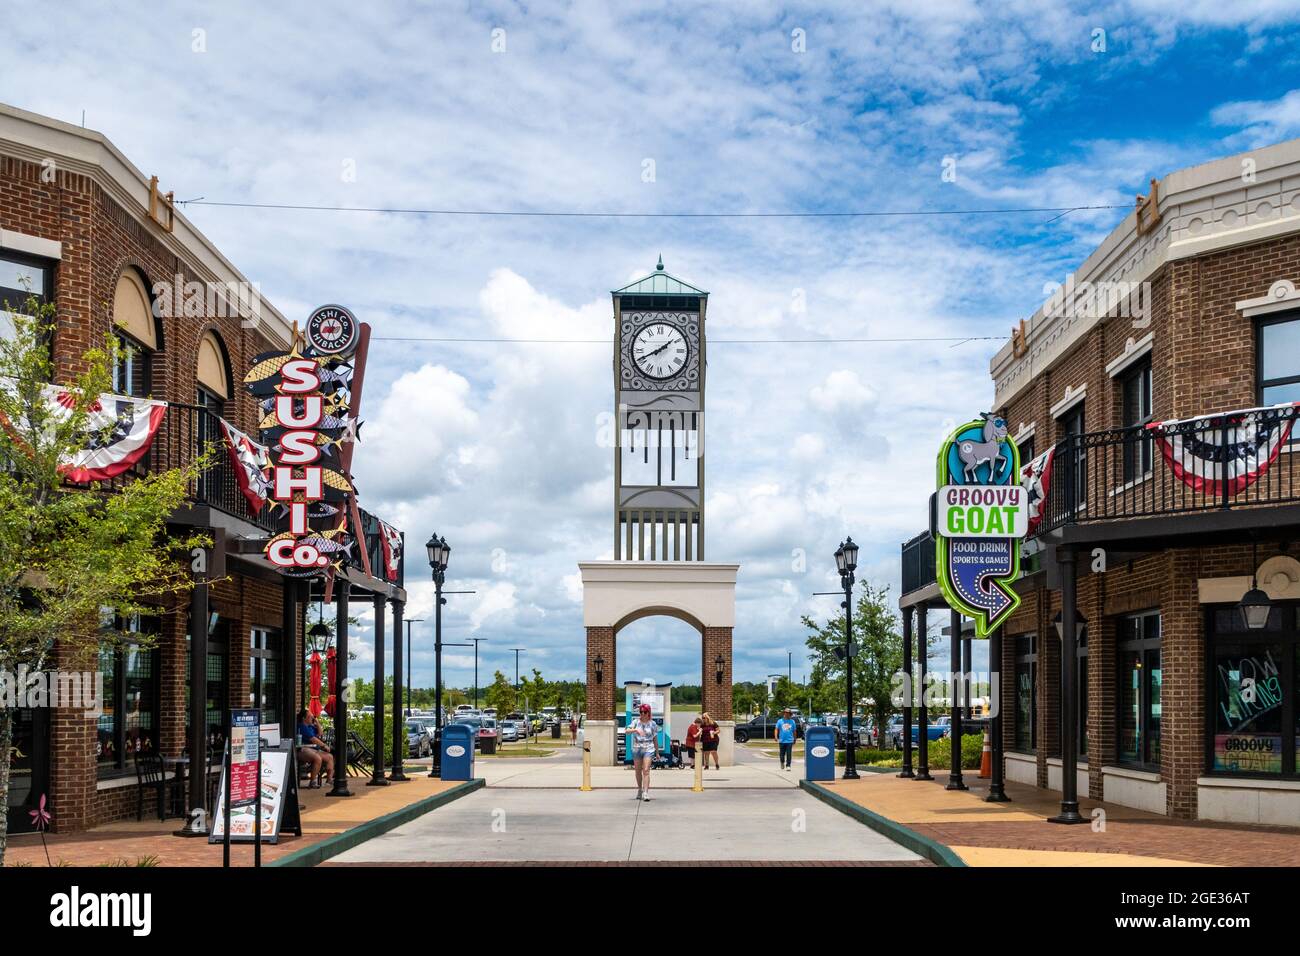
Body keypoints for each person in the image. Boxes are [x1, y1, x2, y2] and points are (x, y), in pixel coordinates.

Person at [296, 709, 334, 789]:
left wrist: (317, 722)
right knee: (317, 758)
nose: (312, 719)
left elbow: (320, 734)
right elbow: (313, 739)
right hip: (302, 749)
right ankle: (313, 782)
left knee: (329, 757)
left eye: (312, 717)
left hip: (313, 749)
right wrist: (324, 746)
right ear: (304, 718)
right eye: (310, 717)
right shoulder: (302, 726)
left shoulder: (310, 726)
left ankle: (329, 780)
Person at [629, 703, 659, 801]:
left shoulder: (653, 724)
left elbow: (655, 738)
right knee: (638, 770)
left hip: (648, 748)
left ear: (648, 713)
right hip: (637, 748)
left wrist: (657, 752)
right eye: (641, 712)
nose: (642, 714)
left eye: (645, 712)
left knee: (646, 770)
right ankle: (639, 789)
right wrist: (635, 730)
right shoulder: (635, 722)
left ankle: (646, 792)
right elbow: (626, 730)